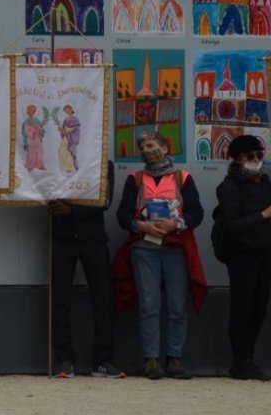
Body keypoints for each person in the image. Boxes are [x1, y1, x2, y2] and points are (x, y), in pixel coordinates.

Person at [113, 131, 205, 380]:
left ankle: (174, 359)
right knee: (149, 304)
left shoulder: (182, 177)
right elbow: (122, 215)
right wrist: (139, 226)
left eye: (151, 145)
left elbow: (197, 212)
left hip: (175, 248)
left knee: (177, 305)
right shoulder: (135, 178)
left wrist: (176, 225)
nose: (145, 149)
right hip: (144, 249)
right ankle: (151, 360)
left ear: (165, 148)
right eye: (142, 146)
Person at [48, 160, 123, 378]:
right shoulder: (56, 159)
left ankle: (103, 361)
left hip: (94, 239)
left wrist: (71, 210)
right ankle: (64, 360)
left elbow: (104, 200)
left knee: (103, 300)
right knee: (59, 300)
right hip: (62, 239)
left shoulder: (103, 163)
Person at [215, 134, 271, 380]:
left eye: (260, 156)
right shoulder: (228, 186)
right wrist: (263, 215)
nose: (257, 160)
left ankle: (249, 357)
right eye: (251, 156)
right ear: (238, 159)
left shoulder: (266, 183)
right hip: (242, 255)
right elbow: (233, 225)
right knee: (242, 308)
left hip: (265, 253)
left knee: (259, 308)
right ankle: (240, 362)